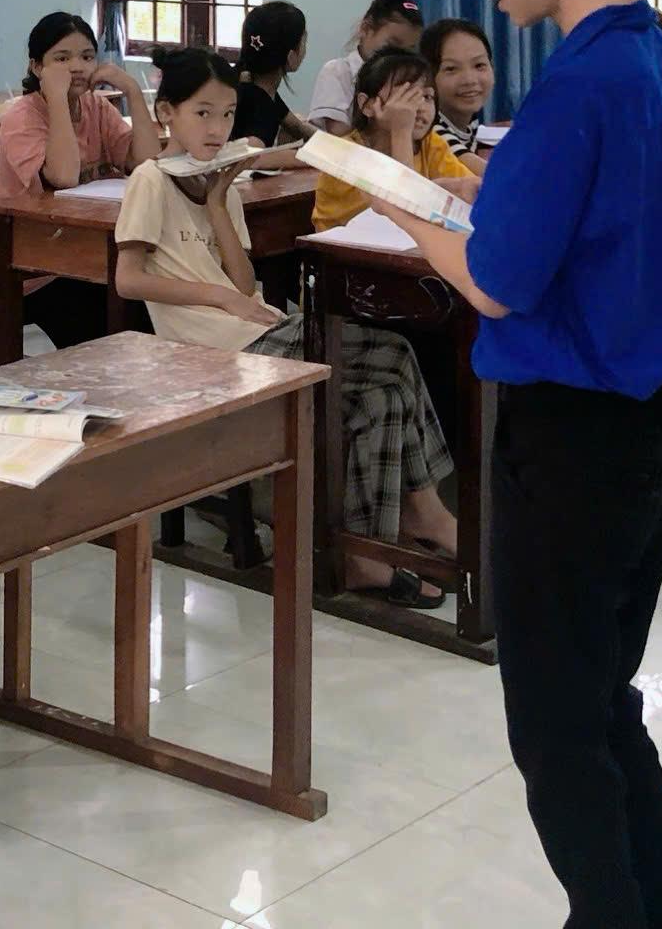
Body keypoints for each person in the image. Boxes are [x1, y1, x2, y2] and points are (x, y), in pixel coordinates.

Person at [374, 0, 662, 929]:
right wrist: (482, 197)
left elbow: (494, 282)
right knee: (601, 701)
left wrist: (400, 200)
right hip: (656, 434)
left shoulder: (578, 85)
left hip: (574, 444)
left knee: (556, 727)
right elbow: (613, 228)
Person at [115, 47, 460, 603]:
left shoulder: (217, 180)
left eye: (228, 114)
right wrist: (219, 299)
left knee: (380, 398)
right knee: (393, 352)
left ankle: (365, 552)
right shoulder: (150, 179)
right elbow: (128, 279)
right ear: (166, 113)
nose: (217, 127)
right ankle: (425, 510)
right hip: (209, 347)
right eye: (202, 113)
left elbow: (243, 280)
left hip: (254, 327)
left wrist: (218, 202)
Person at [0, 11, 162, 348]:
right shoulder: (21, 117)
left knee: (156, 312)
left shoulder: (96, 107)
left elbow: (147, 163)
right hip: (43, 266)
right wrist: (56, 97)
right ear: (36, 67)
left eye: (86, 57)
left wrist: (132, 90)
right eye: (62, 58)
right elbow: (63, 176)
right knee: (110, 333)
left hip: (97, 250)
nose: (77, 67)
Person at [309, 49, 478, 230]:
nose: (420, 106)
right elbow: (400, 219)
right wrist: (401, 131)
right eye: (406, 96)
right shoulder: (344, 157)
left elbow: (472, 197)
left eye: (427, 97)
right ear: (367, 105)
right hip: (349, 246)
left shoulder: (430, 144)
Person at [304, 0, 424, 132]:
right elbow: (338, 136)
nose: (398, 58)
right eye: (391, 46)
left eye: (408, 52)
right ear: (366, 29)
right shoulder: (338, 72)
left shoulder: (407, 83)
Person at [230, 0, 312, 145]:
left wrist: (335, 145)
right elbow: (252, 154)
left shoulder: (252, 84)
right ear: (291, 57)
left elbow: (297, 127)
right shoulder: (261, 107)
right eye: (304, 42)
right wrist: (295, 156)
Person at [422, 17, 498, 168]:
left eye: (479, 65)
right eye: (451, 69)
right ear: (427, 77)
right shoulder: (431, 128)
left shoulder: (469, 122)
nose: (469, 80)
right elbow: (491, 176)